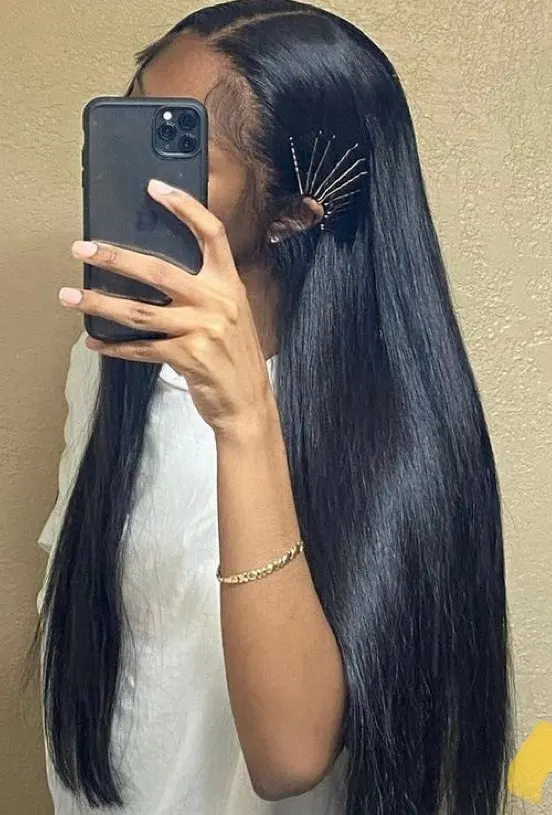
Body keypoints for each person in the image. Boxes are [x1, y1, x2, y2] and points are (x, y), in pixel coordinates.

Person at [33, 1, 513, 813]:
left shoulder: (393, 424)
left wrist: (245, 421)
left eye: (179, 146)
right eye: (133, 121)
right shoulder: (111, 367)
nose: (125, 173)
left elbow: (290, 756)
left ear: (294, 211)